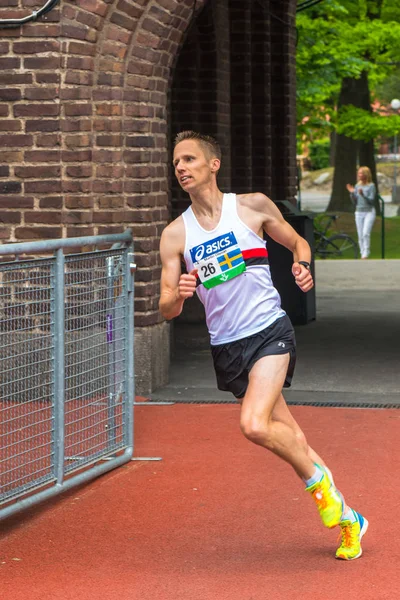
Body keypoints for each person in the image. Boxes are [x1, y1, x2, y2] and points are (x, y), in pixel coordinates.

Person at [159, 130, 368, 560]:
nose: (180, 167)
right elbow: (165, 310)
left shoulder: (251, 206)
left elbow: (298, 242)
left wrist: (303, 265)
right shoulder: (176, 235)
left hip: (270, 330)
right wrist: (177, 293)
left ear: (212, 164)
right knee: (290, 435)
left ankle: (323, 492)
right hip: (228, 345)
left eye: (189, 159)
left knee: (254, 424)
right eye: (176, 161)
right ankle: (350, 519)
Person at [346, 166, 376, 259]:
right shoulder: (357, 185)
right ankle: (362, 252)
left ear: (366, 175)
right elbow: (355, 201)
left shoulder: (371, 186)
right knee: (360, 234)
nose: (359, 175)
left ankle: (366, 252)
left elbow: (371, 201)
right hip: (359, 212)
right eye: (358, 173)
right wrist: (352, 193)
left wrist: (363, 195)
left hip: (369, 212)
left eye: (361, 173)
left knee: (365, 233)